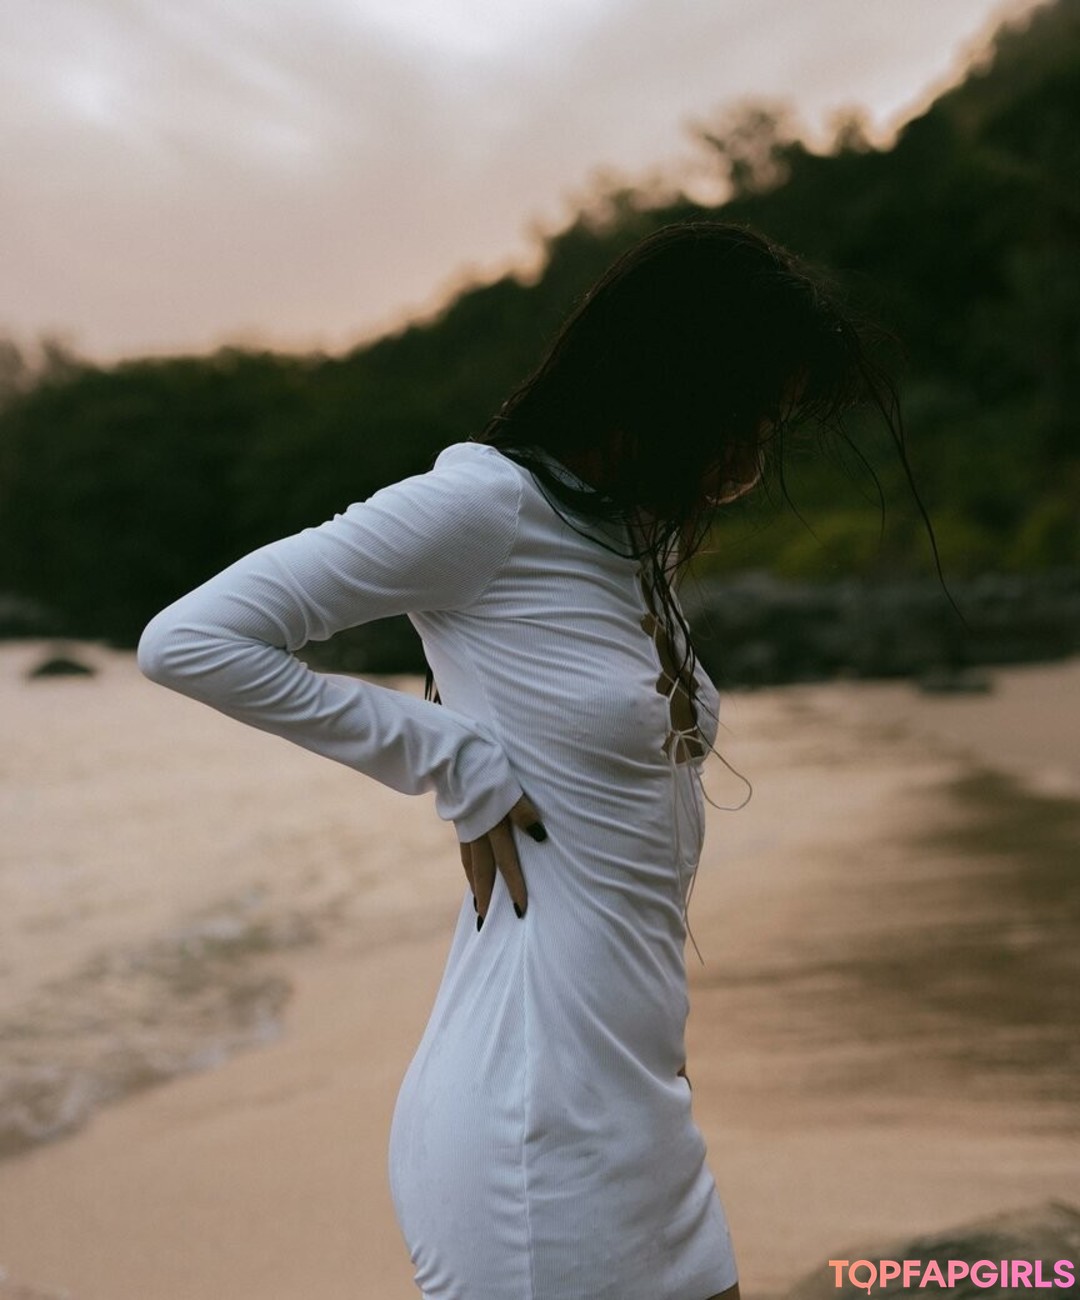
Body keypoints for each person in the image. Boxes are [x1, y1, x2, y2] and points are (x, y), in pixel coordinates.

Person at [138, 221, 910, 1299]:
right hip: (529, 1134)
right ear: (673, 387)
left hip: (643, 1106)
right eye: (747, 424)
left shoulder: (633, 537)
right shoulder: (485, 508)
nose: (749, 468)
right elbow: (190, 641)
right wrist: (450, 759)